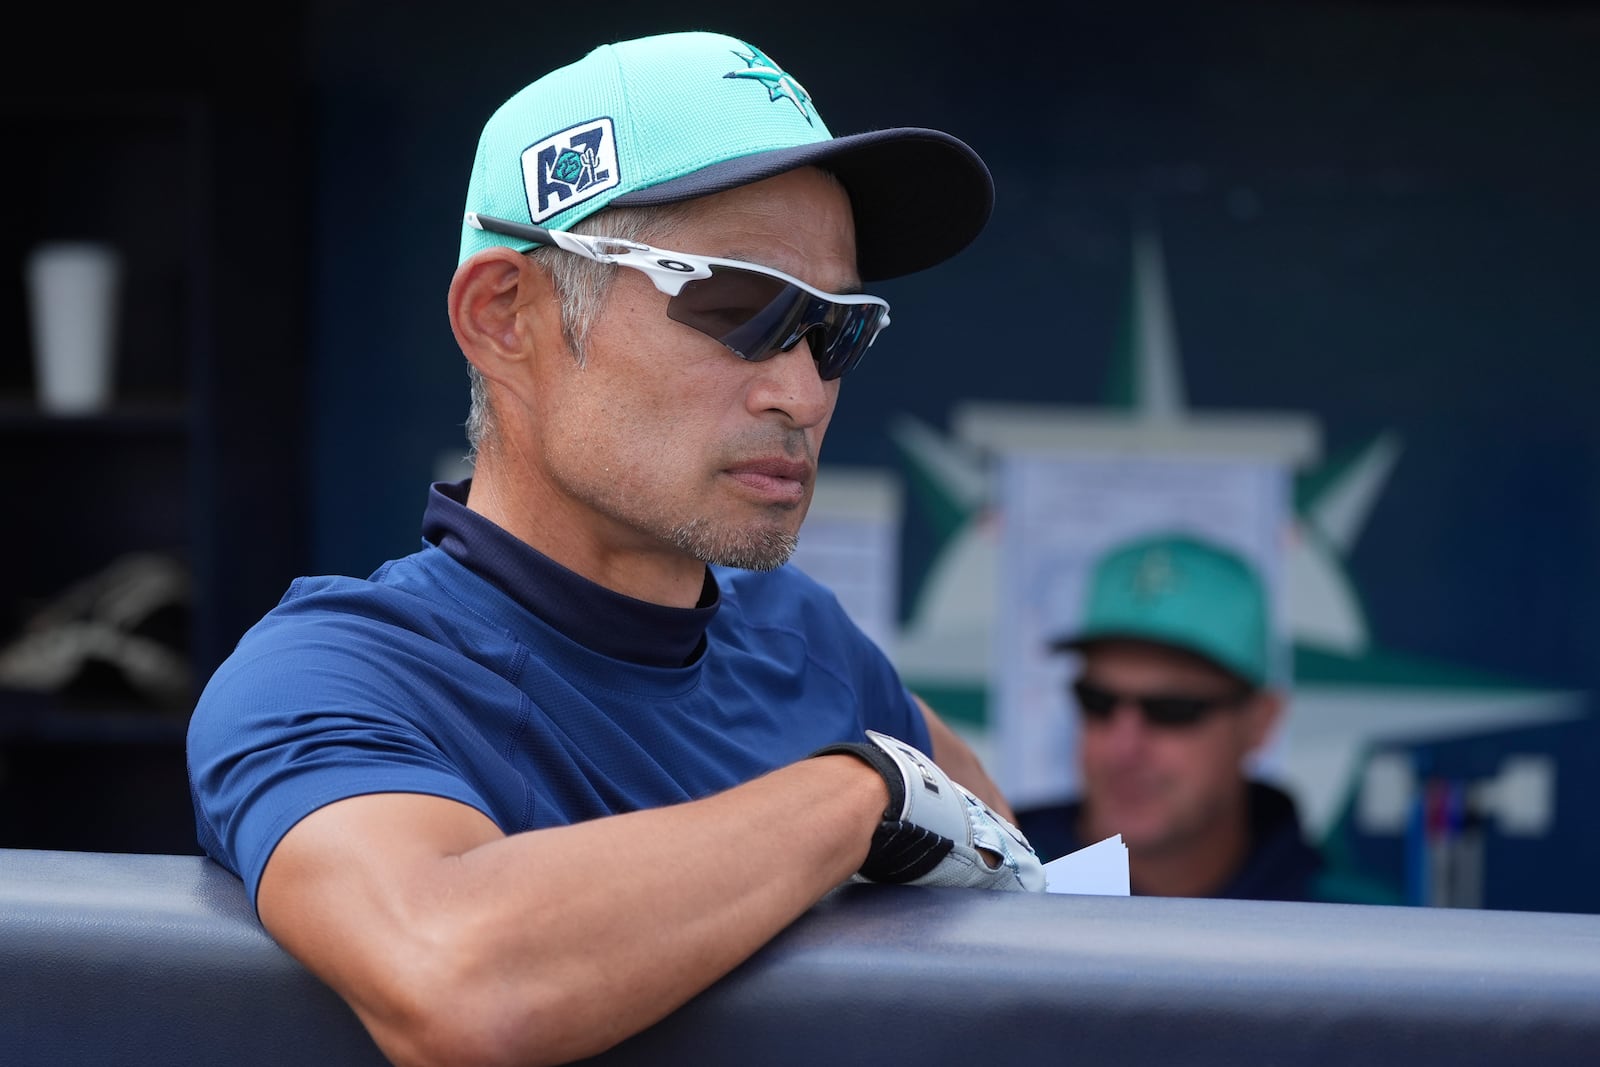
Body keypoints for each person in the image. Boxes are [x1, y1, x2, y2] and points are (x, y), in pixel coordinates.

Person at [186, 30, 1042, 1067]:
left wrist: (887, 784)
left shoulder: (802, 633)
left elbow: (1016, 887)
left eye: (835, 329)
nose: (804, 392)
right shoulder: (333, 669)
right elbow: (458, 975)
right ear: (504, 317)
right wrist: (855, 794)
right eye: (739, 306)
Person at [1016, 530, 1393, 903]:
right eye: (1097, 701)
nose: (1123, 747)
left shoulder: (1355, 932)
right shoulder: (984, 895)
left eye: (1173, 710)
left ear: (1260, 723)